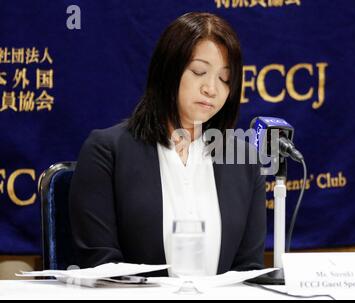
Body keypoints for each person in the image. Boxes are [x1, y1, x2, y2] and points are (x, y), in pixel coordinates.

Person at [69, 12, 266, 276]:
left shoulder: (243, 159)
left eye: (225, 79)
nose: (211, 88)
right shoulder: (107, 151)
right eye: (199, 72)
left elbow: (249, 269)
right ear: (169, 70)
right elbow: (100, 265)